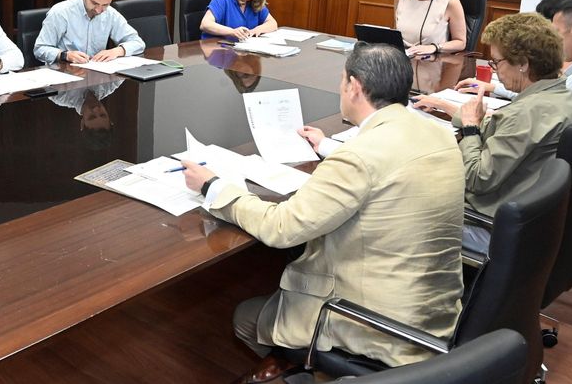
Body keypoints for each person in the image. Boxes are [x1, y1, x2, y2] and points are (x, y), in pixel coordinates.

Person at [182, 42, 465, 382]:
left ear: (354, 86)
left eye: (342, 81)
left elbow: (281, 227)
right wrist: (329, 147)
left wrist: (213, 187)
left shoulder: (360, 156)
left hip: (377, 324)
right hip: (436, 309)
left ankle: (310, 370)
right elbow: (387, 168)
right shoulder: (438, 132)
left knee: (246, 316)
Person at [414, 13, 572, 250]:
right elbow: (508, 131)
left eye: (497, 62)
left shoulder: (525, 113)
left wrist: (471, 128)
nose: (495, 69)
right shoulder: (565, 98)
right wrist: (461, 114)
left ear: (523, 64)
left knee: (398, 204)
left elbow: (476, 178)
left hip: (490, 226)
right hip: (535, 219)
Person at [33, 0, 145, 65]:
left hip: (95, 78)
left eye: (105, 4)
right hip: (64, 78)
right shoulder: (61, 12)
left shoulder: (110, 14)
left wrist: (116, 51)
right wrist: (65, 55)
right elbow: (40, 49)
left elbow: (138, 43)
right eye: (94, 3)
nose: (99, 10)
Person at [394, 0, 467, 93]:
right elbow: (396, 33)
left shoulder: (450, 2)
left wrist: (435, 47)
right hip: (402, 68)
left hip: (434, 69)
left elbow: (460, 42)